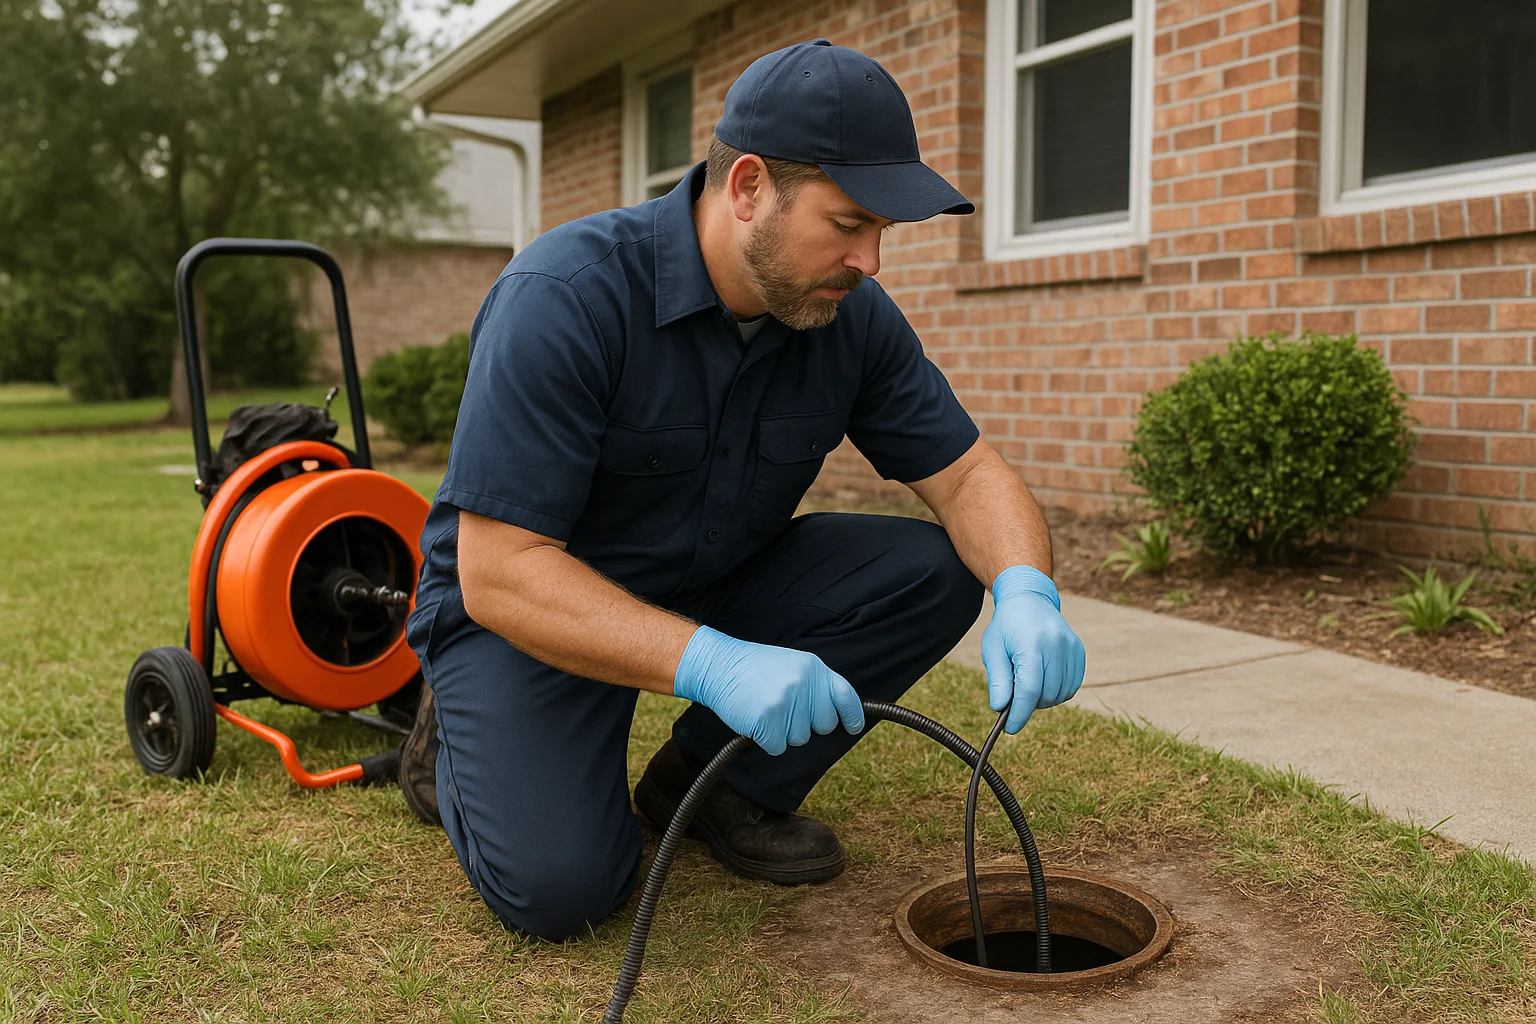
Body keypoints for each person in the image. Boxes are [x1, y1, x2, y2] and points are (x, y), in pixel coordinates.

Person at [399, 37, 1087, 941]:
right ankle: (452, 732)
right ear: (750, 187)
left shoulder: (847, 316)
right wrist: (714, 665)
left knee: (936, 568)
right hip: (537, 605)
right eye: (848, 224)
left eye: (882, 231)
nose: (872, 261)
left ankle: (713, 786)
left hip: (714, 576)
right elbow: (499, 571)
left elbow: (966, 476)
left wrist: (1027, 588)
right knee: (562, 890)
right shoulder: (565, 295)